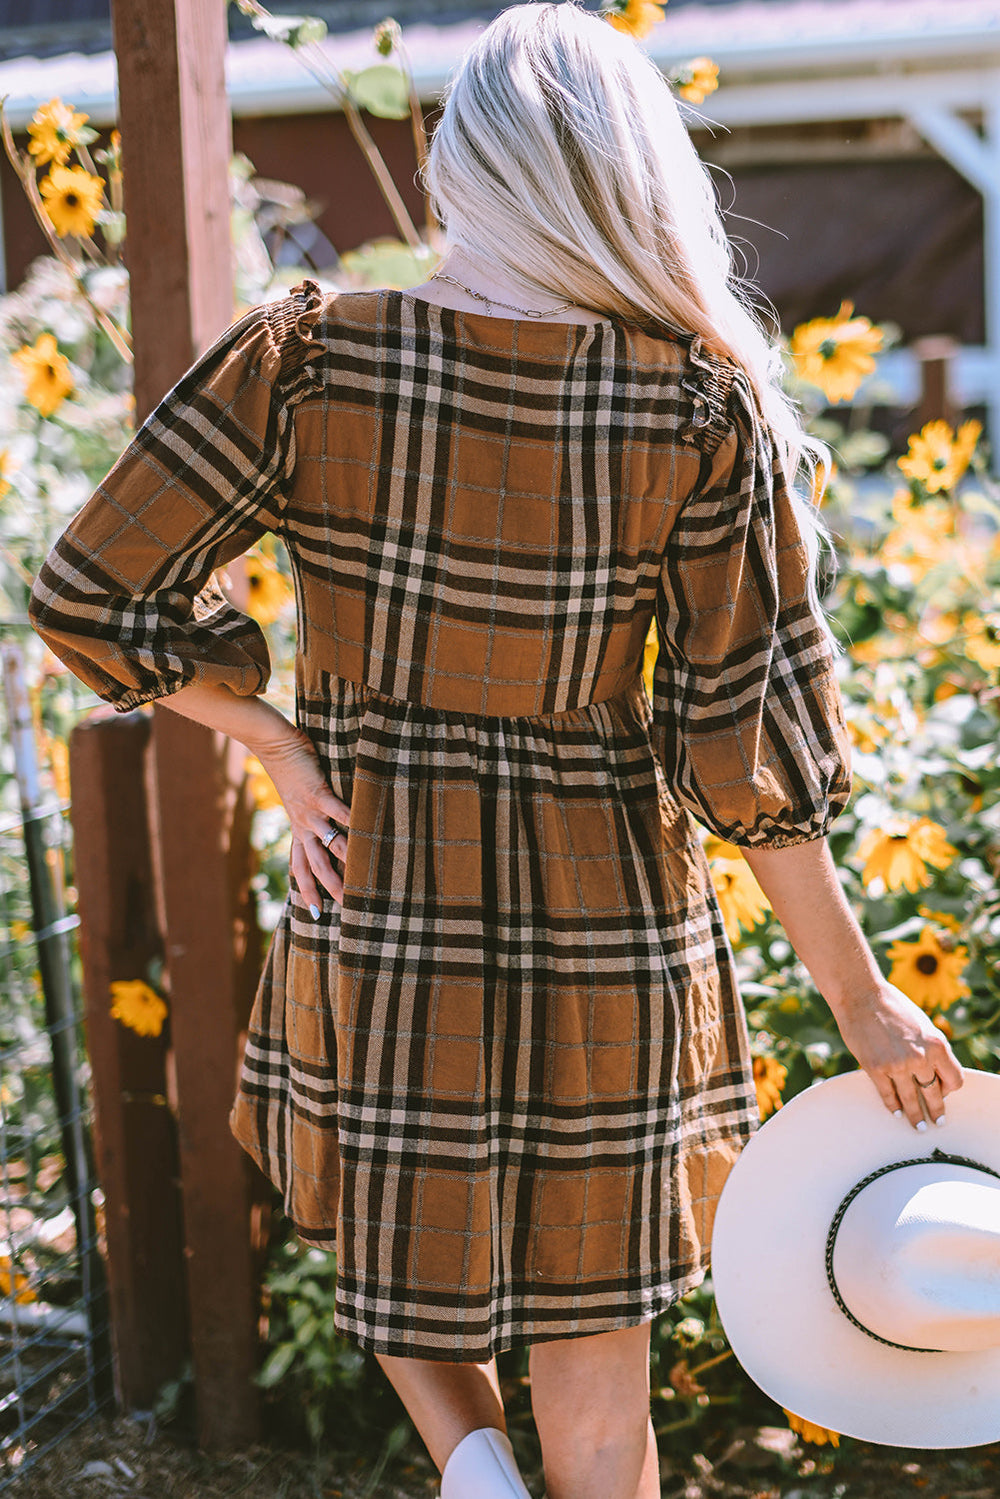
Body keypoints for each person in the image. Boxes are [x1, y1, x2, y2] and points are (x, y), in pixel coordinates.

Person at [29, 4, 963, 1496]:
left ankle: (472, 1464)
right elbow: (748, 753)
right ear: (634, 174)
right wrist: (864, 1005)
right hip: (609, 924)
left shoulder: (311, 359)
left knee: (396, 1232)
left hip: (386, 889)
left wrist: (275, 743)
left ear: (464, 164)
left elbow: (89, 591)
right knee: (599, 1384)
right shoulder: (695, 404)